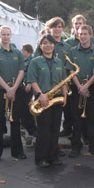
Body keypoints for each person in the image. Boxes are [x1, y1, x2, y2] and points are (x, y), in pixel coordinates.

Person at [27, 34, 68, 167]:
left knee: (55, 129)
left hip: (56, 99)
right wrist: (40, 94)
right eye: (45, 43)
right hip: (43, 99)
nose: (48, 45)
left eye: (50, 43)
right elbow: (32, 80)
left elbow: (64, 81)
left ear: (54, 46)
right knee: (43, 130)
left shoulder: (59, 62)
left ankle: (53, 157)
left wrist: (65, 95)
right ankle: (41, 158)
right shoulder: (35, 61)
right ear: (40, 46)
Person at [0, 26, 27, 161]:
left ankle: (17, 151)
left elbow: (21, 71)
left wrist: (14, 88)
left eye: (8, 34)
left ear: (11, 36)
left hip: (16, 90)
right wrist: (7, 88)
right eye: (3, 35)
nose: (5, 37)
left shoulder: (17, 52)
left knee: (15, 120)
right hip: (0, 90)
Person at [67, 25, 94, 158]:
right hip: (77, 88)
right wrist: (80, 87)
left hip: (92, 87)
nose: (82, 36)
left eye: (85, 34)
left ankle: (93, 147)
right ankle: (76, 146)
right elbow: (71, 70)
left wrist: (86, 86)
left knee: (93, 118)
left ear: (91, 35)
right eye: (80, 34)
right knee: (76, 118)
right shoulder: (72, 51)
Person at [20, 43, 37, 137]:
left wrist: (29, 83)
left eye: (23, 50)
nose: (22, 52)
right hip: (22, 86)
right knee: (24, 108)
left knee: (26, 108)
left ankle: (32, 128)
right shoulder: (24, 60)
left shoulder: (31, 61)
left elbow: (31, 73)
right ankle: (27, 126)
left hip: (27, 86)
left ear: (28, 51)